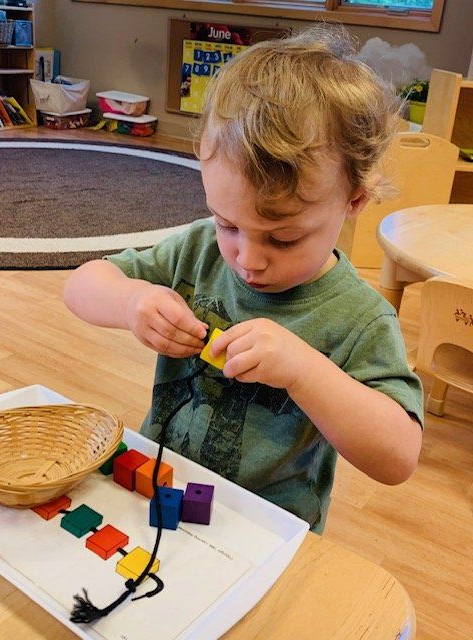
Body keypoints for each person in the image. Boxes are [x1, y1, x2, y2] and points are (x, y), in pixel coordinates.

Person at [63, 26, 423, 534]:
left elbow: (398, 458)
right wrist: (130, 301)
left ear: (354, 201)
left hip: (265, 531)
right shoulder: (198, 248)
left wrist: (303, 370)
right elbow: (80, 284)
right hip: (158, 489)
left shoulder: (359, 320)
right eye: (229, 224)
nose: (247, 260)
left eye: (283, 238)